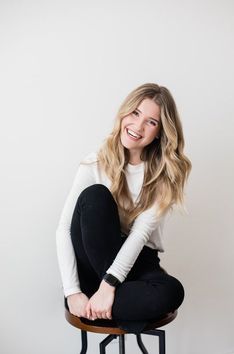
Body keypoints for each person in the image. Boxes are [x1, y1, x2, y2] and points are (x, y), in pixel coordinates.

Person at [56, 82, 192, 334]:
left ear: (161, 132)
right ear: (124, 113)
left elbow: (140, 235)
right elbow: (64, 229)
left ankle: (99, 301)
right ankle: (97, 298)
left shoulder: (164, 176)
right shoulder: (94, 163)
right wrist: (72, 292)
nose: (138, 127)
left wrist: (109, 286)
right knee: (96, 196)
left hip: (136, 260)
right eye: (135, 113)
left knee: (172, 291)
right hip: (93, 259)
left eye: (152, 122)